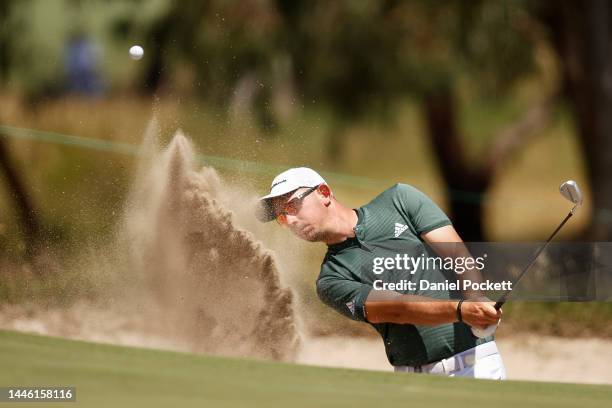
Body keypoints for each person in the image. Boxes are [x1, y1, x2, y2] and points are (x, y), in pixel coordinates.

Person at [256, 167, 506, 379]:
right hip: (415, 381)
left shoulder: (400, 200)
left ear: (324, 193)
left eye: (291, 206)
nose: (289, 221)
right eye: (281, 217)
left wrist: (476, 301)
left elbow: (457, 255)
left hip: (478, 365)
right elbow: (396, 309)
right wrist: (461, 311)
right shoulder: (330, 280)